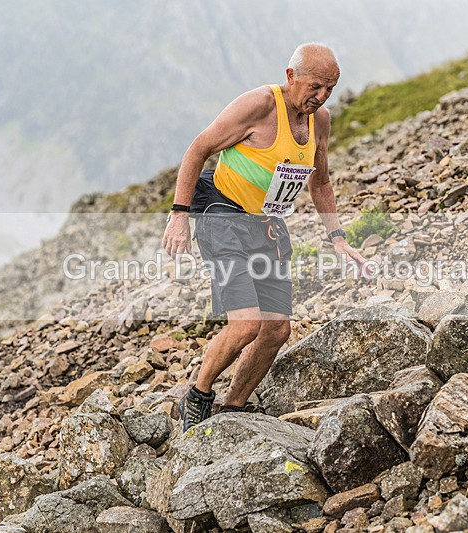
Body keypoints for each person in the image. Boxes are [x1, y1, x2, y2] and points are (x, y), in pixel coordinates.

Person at [162, 42, 367, 431]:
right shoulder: (258, 105)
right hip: (221, 214)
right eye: (315, 87)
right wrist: (178, 215)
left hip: (266, 223)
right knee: (245, 326)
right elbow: (197, 149)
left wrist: (337, 237)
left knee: (276, 329)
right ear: (291, 76)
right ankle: (199, 395)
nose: (321, 97)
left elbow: (320, 182)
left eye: (330, 90)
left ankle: (234, 407)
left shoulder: (319, 120)